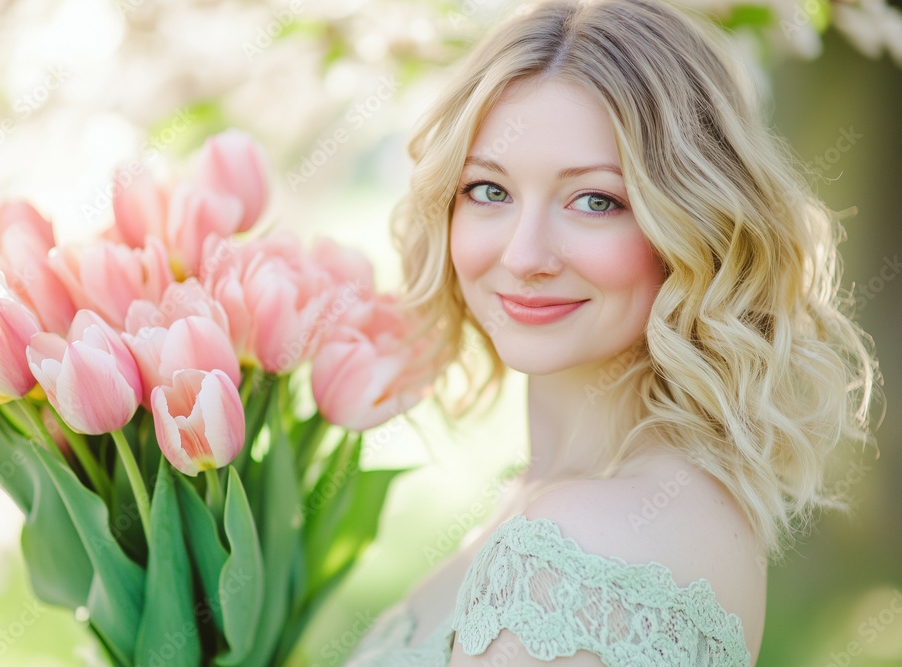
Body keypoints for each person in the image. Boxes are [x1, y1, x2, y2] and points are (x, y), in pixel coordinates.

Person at [343, 0, 882, 664]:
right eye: (489, 189)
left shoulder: (578, 546)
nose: (522, 254)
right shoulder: (566, 500)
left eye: (596, 200)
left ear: (692, 229)